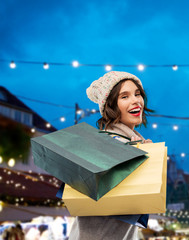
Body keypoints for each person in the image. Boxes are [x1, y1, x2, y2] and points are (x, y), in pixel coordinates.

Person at [68, 71, 153, 240]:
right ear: (110, 106)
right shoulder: (107, 143)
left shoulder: (129, 141)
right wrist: (143, 160)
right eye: (124, 96)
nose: (136, 100)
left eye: (137, 94)